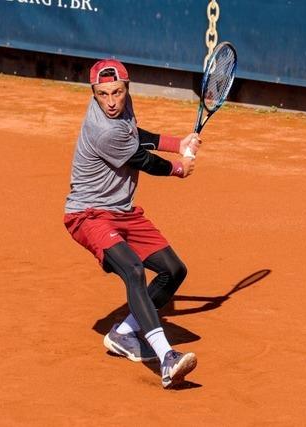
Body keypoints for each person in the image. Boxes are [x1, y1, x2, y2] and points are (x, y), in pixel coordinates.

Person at [63, 59, 201, 389]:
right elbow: (143, 160)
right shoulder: (103, 128)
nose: (111, 102)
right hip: (89, 215)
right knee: (135, 271)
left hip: (124, 212)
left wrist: (176, 143)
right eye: (103, 94)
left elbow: (135, 133)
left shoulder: (120, 109)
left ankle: (124, 332)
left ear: (127, 88)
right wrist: (179, 168)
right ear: (93, 94)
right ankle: (167, 359)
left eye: (117, 92)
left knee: (173, 270)